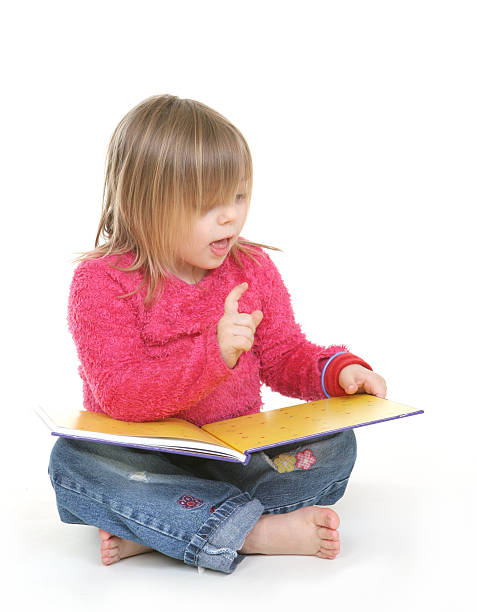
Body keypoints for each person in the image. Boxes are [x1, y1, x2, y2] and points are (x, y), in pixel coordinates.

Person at [48, 94, 387, 575]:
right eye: (208, 205)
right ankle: (251, 532)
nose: (230, 215)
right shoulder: (102, 282)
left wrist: (338, 374)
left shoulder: (251, 267)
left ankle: (161, 529)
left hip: (237, 456)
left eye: (238, 195)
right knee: (73, 464)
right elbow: (120, 394)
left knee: (335, 447)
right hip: (145, 461)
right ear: (145, 205)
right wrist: (215, 354)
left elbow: (285, 353)